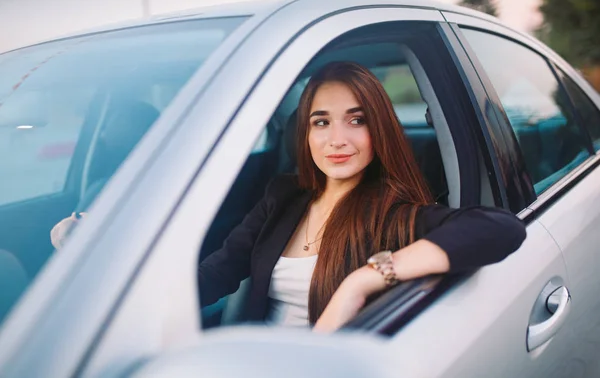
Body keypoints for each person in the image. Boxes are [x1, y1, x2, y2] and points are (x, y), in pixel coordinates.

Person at [200, 61, 526, 332]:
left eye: (357, 120)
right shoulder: (283, 195)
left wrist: (363, 280)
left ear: (378, 130)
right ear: (306, 134)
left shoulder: (394, 213)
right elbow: (219, 271)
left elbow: (501, 227)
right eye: (321, 122)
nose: (337, 139)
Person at [50, 99, 159, 249]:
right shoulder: (161, 181)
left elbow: (76, 248)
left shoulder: (103, 190)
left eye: (109, 125)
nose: (101, 133)